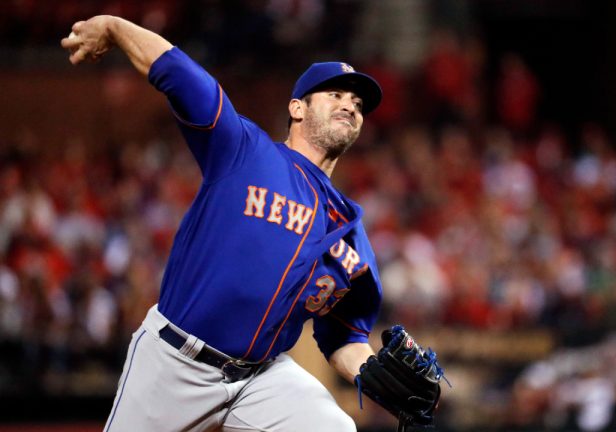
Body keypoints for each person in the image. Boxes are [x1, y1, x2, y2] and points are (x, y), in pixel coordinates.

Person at [61, 15, 386, 432]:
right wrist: (114, 26)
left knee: (335, 428)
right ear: (297, 108)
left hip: (261, 378)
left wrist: (373, 374)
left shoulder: (351, 231)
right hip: (176, 362)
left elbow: (346, 338)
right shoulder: (245, 151)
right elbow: (178, 72)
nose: (349, 106)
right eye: (336, 95)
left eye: (358, 105)